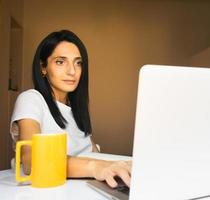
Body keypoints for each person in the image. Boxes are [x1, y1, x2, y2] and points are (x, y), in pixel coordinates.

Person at [10, 30, 131, 188]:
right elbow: (32, 161)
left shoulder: (75, 109)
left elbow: (92, 154)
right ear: (43, 67)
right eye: (60, 62)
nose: (72, 71)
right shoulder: (31, 99)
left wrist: (125, 165)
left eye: (78, 63)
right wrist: (95, 167)